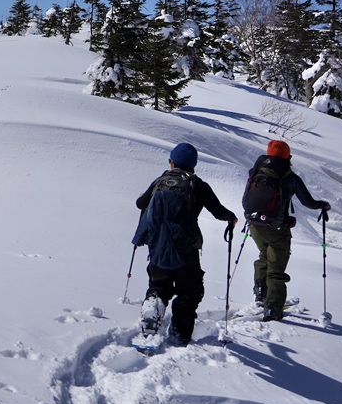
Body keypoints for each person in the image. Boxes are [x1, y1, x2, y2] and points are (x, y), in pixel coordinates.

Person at [132, 142, 237, 345]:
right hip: (186, 249)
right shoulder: (198, 185)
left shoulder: (159, 182)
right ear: (194, 164)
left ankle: (153, 306)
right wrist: (231, 218)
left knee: (158, 285)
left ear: (172, 162)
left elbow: (140, 204)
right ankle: (180, 332)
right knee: (189, 291)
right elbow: (218, 211)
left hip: (157, 246)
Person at [243, 140, 331, 321]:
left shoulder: (256, 171)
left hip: (255, 225)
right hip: (277, 228)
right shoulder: (289, 177)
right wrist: (323, 205)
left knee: (264, 256)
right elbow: (309, 202)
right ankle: (273, 308)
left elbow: (246, 200)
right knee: (276, 267)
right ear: (287, 156)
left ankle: (261, 291)